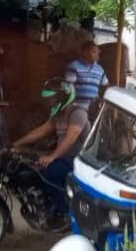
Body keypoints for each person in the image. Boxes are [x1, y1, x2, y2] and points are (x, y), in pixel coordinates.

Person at [10, 79, 89, 211]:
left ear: (63, 97)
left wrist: (52, 156)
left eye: (53, 99)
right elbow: (41, 131)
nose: (50, 102)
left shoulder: (78, 113)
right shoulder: (58, 115)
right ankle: (43, 205)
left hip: (78, 160)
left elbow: (70, 138)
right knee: (32, 166)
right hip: (63, 157)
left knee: (51, 172)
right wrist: (17, 143)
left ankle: (62, 212)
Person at [65, 41, 110, 112]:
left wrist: (103, 100)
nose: (97, 55)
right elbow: (68, 88)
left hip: (94, 109)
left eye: (98, 52)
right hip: (77, 108)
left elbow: (106, 86)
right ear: (85, 53)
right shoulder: (74, 66)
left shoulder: (100, 69)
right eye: (94, 52)